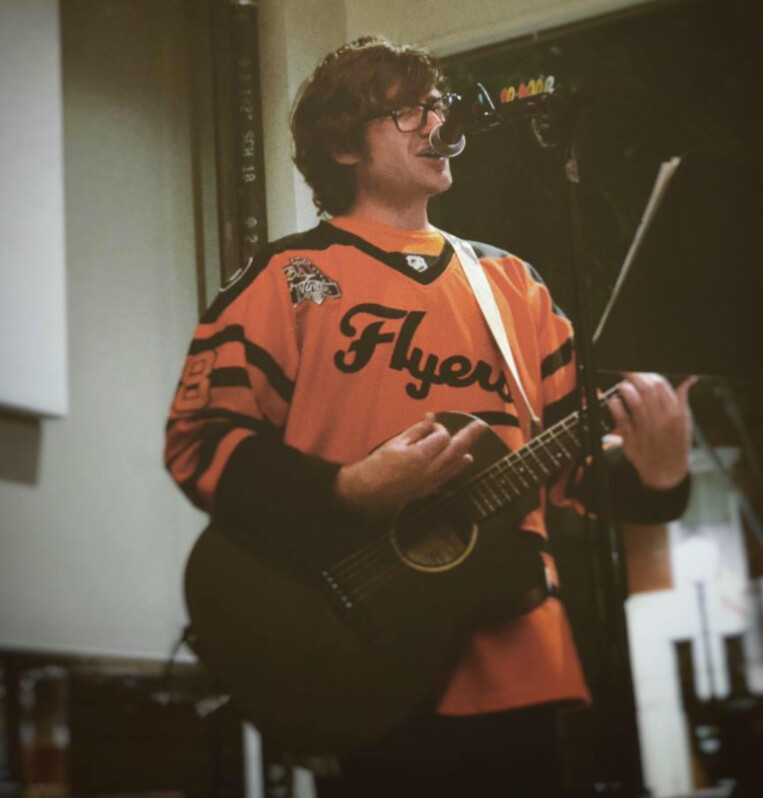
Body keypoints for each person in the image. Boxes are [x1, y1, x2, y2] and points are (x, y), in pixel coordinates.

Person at [165, 36, 693, 798]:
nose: (437, 122)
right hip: (357, 652)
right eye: (407, 111)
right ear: (344, 145)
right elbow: (200, 442)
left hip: (516, 663)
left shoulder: (512, 284)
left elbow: (572, 463)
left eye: (437, 106)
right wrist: (345, 490)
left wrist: (659, 477)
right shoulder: (286, 279)